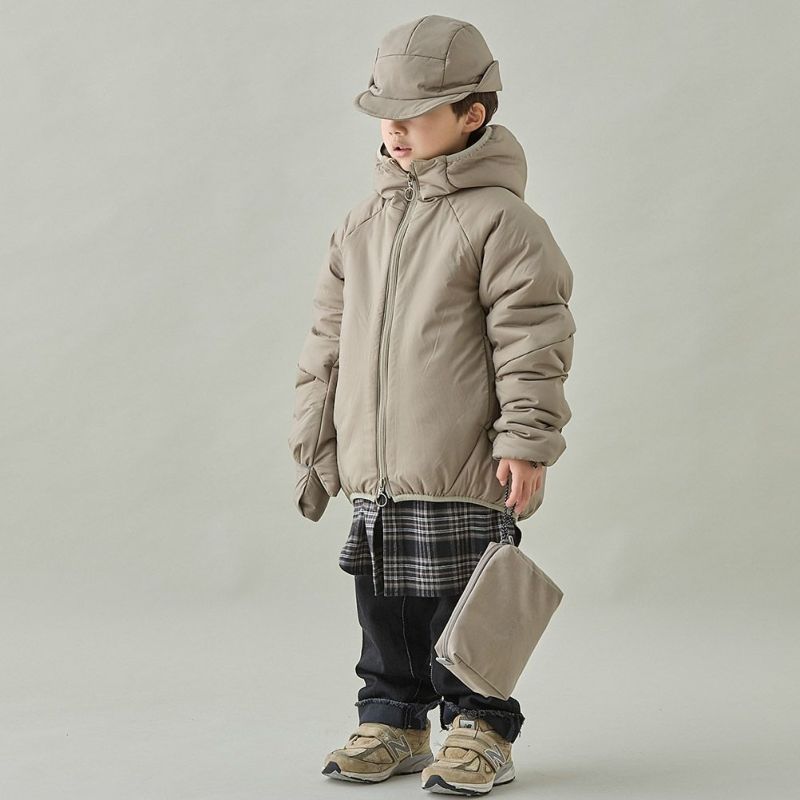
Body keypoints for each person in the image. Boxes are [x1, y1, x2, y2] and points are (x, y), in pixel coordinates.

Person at [287, 14, 576, 795]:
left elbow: (534, 339)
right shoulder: (359, 226)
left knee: (467, 606)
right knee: (384, 608)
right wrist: (316, 446)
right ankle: (392, 718)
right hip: (376, 469)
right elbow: (326, 343)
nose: (395, 128)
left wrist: (526, 440)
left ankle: (481, 727)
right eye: (385, 113)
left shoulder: (503, 224)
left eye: (414, 113)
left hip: (465, 462)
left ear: (471, 114)